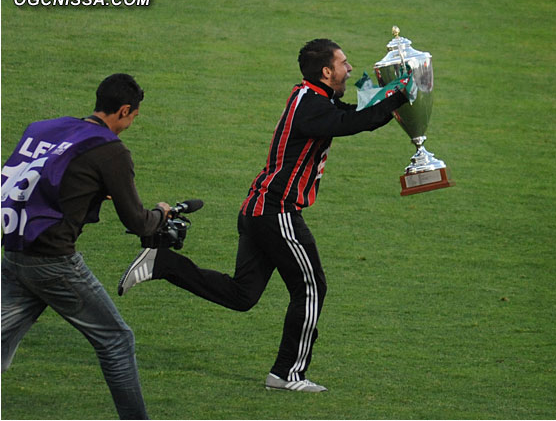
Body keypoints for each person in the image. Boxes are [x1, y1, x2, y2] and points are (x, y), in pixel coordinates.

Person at [118, 39, 410, 392]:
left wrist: (386, 95)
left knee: (243, 295)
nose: (350, 69)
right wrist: (400, 97)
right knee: (311, 287)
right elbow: (354, 122)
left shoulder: (311, 97)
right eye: (344, 64)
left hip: (259, 209)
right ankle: (287, 373)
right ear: (326, 71)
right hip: (277, 212)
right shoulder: (311, 105)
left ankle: (162, 263)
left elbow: (353, 115)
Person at [1, 73, 170, 419]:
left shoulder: (45, 128)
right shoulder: (109, 150)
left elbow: (40, 180)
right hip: (53, 263)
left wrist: (90, 192)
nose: (130, 125)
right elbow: (137, 221)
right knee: (117, 341)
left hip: (14, 254)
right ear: (124, 110)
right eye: (133, 117)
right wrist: (161, 215)